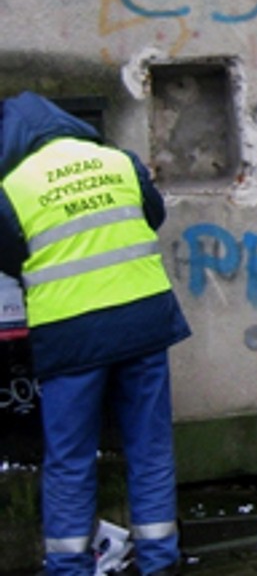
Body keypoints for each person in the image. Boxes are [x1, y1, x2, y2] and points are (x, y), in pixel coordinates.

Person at [0, 92, 192, 575]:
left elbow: (8, 258)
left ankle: (68, 568)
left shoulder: (12, 187)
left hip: (72, 336)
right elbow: (153, 215)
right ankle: (159, 561)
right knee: (149, 449)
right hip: (143, 323)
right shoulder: (118, 162)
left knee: (70, 459)